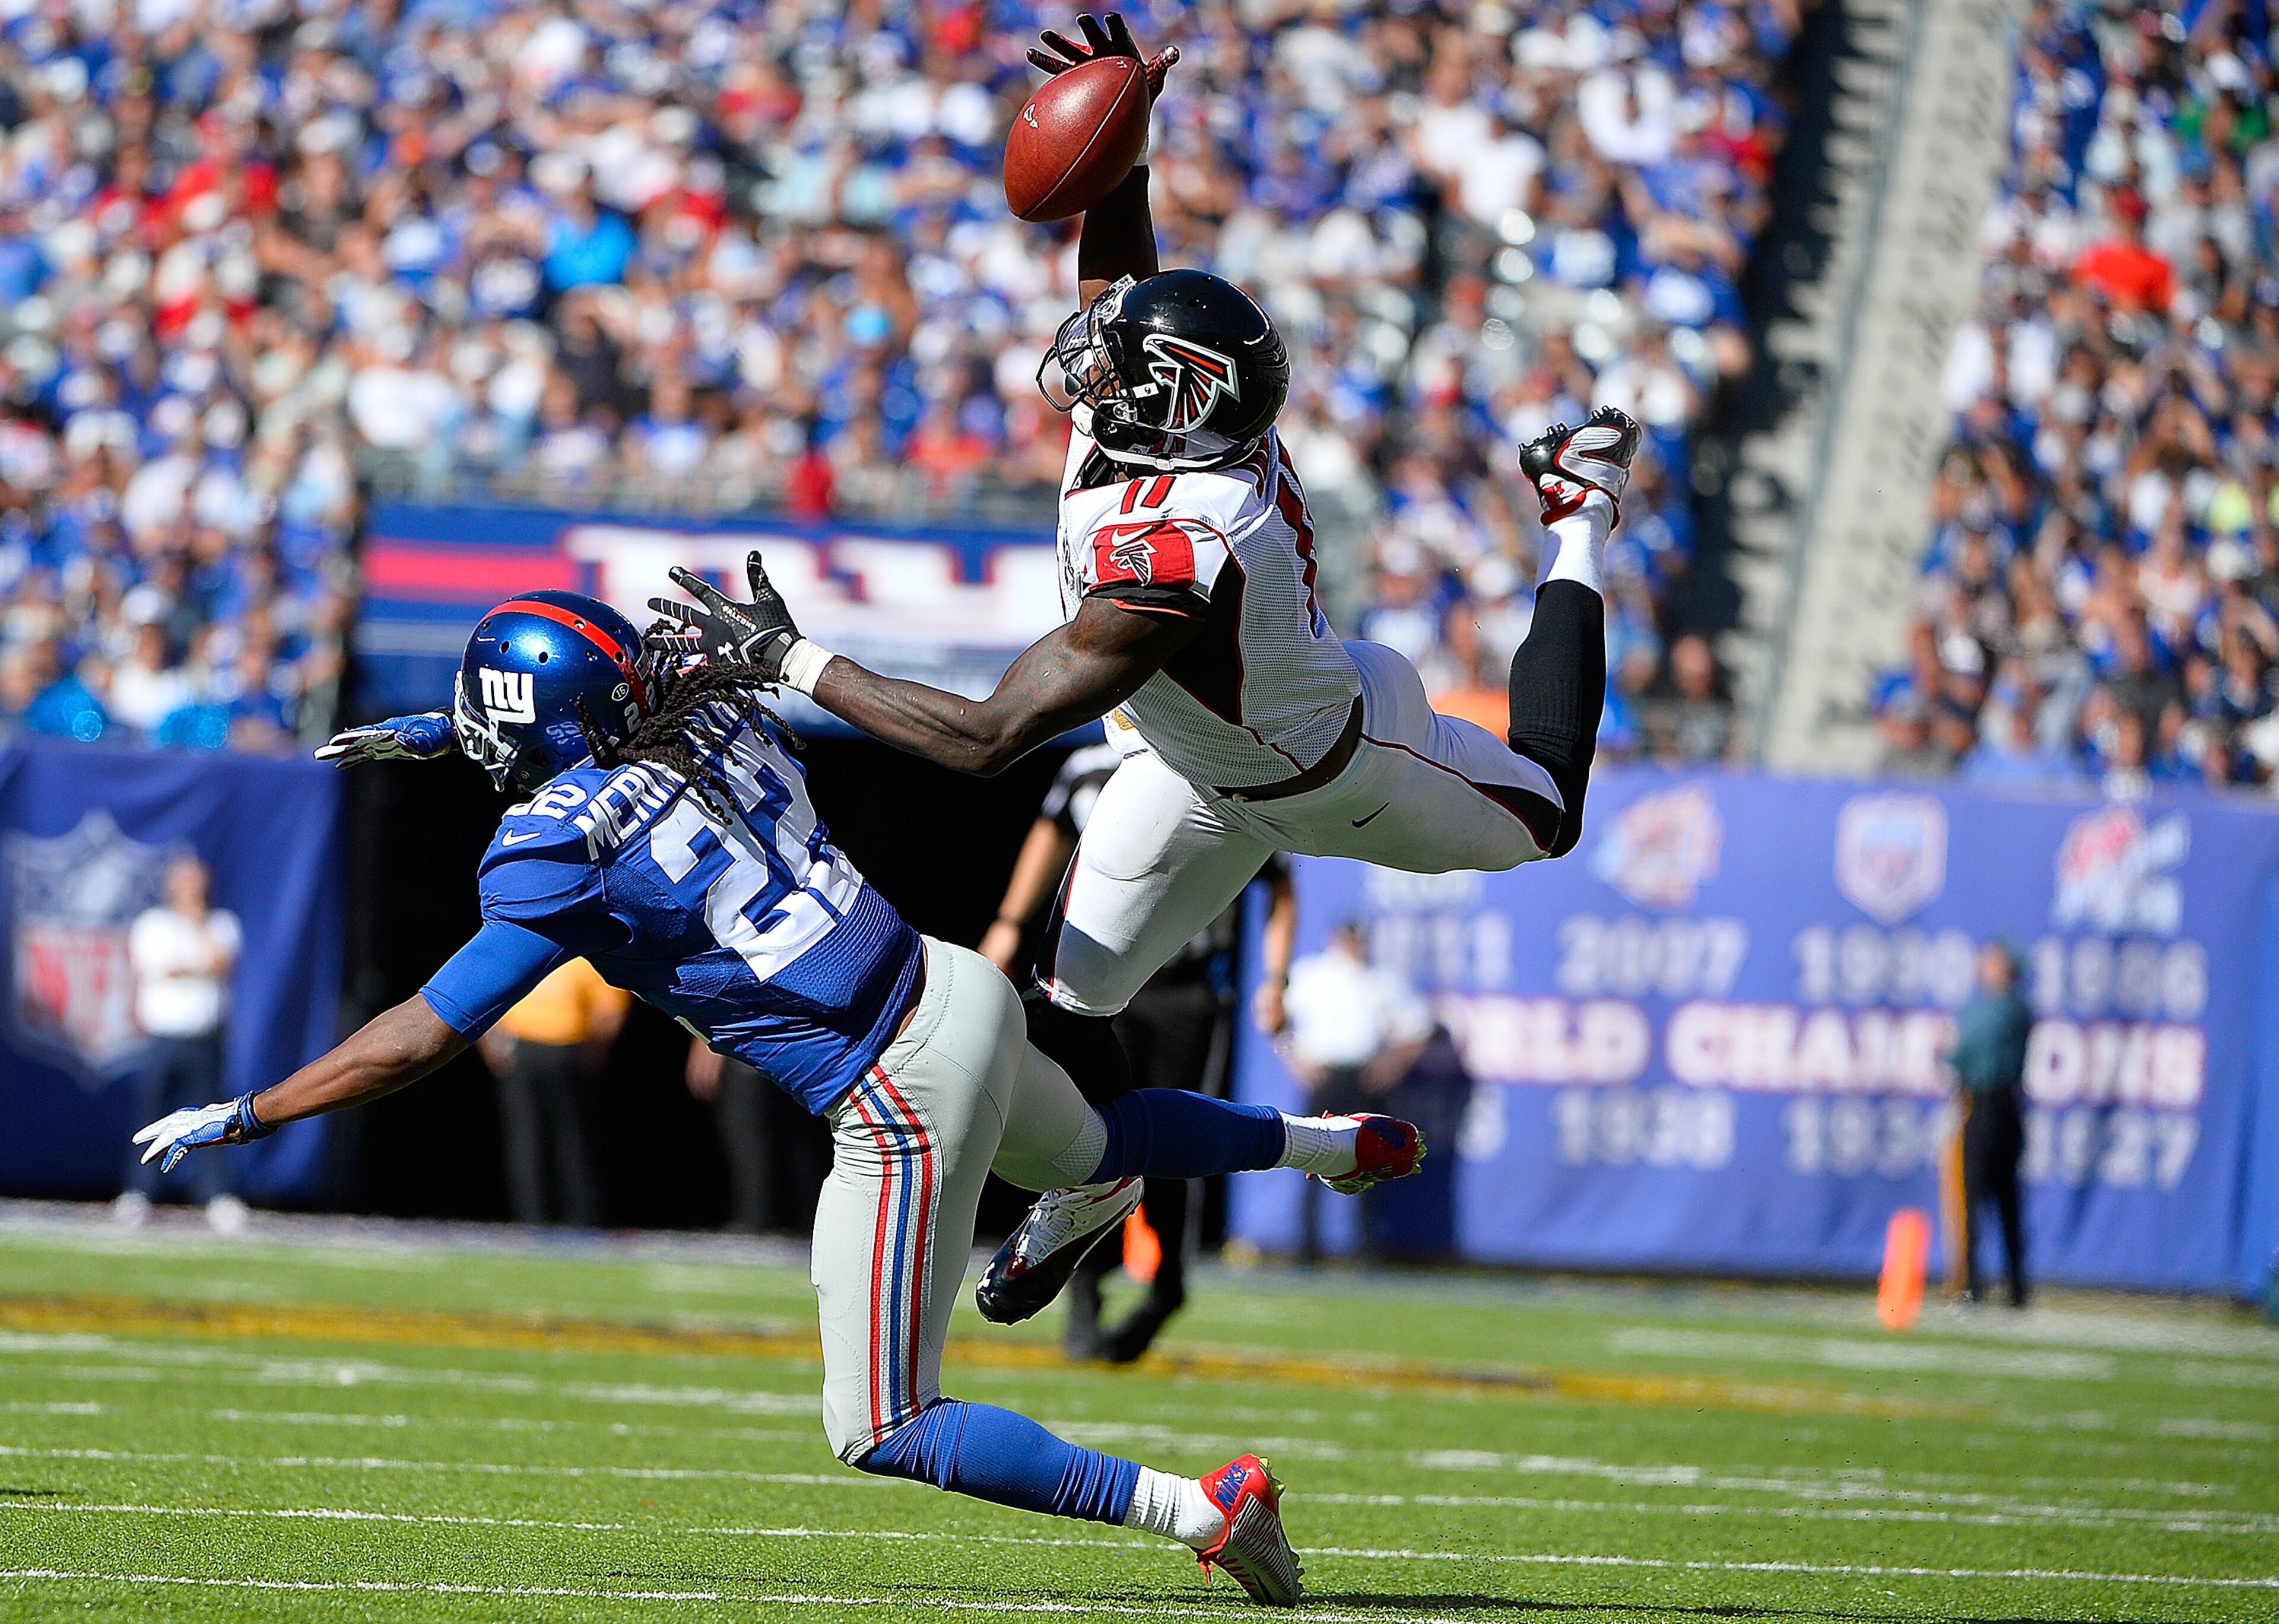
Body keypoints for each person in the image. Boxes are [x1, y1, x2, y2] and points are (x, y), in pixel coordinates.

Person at [139, 587, 1430, 1608]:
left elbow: (423, 1033)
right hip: (950, 979)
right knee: (1094, 1143)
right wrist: (443, 731)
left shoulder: (554, 857)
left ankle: (1199, 1509)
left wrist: (252, 1112)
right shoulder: (711, 713)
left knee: (885, 1421)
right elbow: (621, 700)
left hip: (889, 1087)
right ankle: (1324, 1145)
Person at [645, 12, 1630, 1329]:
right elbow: (1124, 282)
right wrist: (1124, 146)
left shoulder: (1185, 538)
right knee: (1063, 1005)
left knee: (1550, 818)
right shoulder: (1157, 434)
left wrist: (790, 656)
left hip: (1338, 769)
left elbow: (993, 739)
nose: (1087, 356)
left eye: (1122, 364)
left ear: (1176, 400)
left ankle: (1579, 511)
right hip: (1188, 766)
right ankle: (1095, 1188)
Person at [982, 739, 1297, 1362]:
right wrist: (1011, 921)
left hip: (1184, 992)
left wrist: (1276, 976)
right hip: (1099, 986)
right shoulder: (1089, 770)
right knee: (1086, 1130)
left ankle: (1167, 1286)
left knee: (1170, 1140)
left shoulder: (1222, 759)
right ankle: (1083, 1288)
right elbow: (1049, 835)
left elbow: (1279, 879)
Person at [1278, 923, 1433, 1262]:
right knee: (1308, 1155)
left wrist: (1390, 1067)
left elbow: (1418, 1027)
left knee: (1370, 1158)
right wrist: (1297, 1061)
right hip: (1325, 1073)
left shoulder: (1381, 980)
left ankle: (1365, 1245)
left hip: (1362, 1076)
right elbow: (1274, 1017)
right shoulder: (1311, 975)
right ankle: (1307, 1245)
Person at [118, 854, 247, 1234]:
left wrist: (197, 926)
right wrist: (194, 964)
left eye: (197, 882)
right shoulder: (153, 925)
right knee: (150, 1117)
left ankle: (216, 1196)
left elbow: (219, 962)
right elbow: (162, 968)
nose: (192, 889)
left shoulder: (221, 924)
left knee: (217, 1121)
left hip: (206, 1040)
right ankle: (139, 1193)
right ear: (172, 886)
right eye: (185, 882)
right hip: (163, 1037)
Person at [477, 956, 626, 1227]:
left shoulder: (541, 952)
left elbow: (609, 1012)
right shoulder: (581, 955)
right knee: (538, 1137)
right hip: (532, 1048)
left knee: (564, 1137)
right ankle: (537, 1220)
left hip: (565, 1048)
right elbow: (610, 1015)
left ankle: (574, 1220)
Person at [1946, 941, 2032, 1308]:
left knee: (1983, 1200)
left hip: (1986, 1109)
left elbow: (1963, 1053)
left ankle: (1975, 1286)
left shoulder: (1999, 1011)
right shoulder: (2014, 1010)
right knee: (2002, 1202)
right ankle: (2010, 1287)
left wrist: (1948, 1052)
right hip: (2004, 1111)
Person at [684, 1037, 831, 1236]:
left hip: (754, 1043)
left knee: (752, 1133)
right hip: (797, 1047)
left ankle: (757, 1223)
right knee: (795, 1138)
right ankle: (812, 1226)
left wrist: (708, 1041)